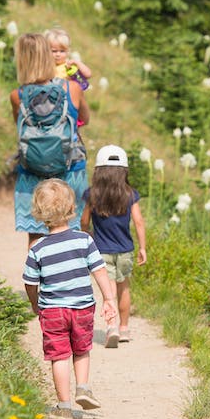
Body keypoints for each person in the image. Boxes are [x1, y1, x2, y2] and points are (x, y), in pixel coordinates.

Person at [23, 178, 117, 418]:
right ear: (71, 209)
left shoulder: (37, 248)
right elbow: (100, 270)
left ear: (39, 213)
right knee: (82, 349)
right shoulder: (84, 240)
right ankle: (83, 387)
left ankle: (64, 405)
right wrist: (108, 299)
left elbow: (30, 282)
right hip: (82, 307)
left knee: (59, 355)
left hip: (52, 310)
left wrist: (35, 303)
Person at [11, 32, 89, 244]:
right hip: (70, 169)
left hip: (32, 170)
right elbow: (85, 118)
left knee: (36, 235)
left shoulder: (17, 95)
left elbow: (19, 127)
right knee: (72, 234)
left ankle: (35, 277)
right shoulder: (72, 88)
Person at [81, 144, 147, 347]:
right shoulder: (130, 194)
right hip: (125, 249)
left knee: (108, 291)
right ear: (124, 171)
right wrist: (143, 247)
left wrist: (87, 235)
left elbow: (84, 221)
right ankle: (125, 328)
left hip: (101, 250)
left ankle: (111, 327)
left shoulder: (92, 194)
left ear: (98, 171)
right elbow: (138, 222)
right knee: (124, 288)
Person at [44, 27, 94, 227]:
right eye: (53, 50)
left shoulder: (68, 67)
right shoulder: (45, 69)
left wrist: (76, 62)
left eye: (61, 51)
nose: (57, 55)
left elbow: (88, 74)